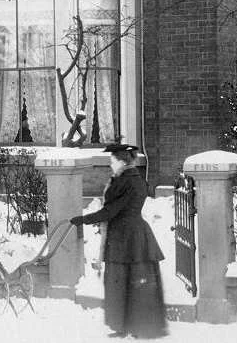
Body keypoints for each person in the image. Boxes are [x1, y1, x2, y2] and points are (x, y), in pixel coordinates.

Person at [70, 144, 167, 339]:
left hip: (126, 238)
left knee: (128, 283)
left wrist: (82, 219)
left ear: (122, 162)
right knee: (125, 283)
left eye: (112, 161)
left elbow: (110, 211)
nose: (110, 164)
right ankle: (127, 327)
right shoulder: (132, 179)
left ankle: (136, 327)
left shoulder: (126, 182)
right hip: (130, 235)